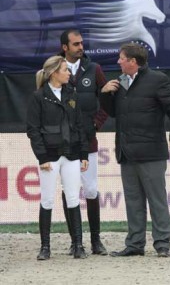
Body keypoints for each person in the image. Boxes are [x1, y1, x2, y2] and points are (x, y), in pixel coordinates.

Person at [100, 43, 170, 258]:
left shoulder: (158, 80)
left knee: (157, 199)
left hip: (151, 152)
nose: (118, 61)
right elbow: (113, 113)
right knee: (133, 201)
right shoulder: (118, 83)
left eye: (121, 58)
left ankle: (162, 243)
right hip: (126, 152)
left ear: (133, 61)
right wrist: (104, 95)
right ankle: (135, 244)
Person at [27, 55, 89, 260]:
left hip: (71, 154)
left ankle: (78, 244)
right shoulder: (38, 97)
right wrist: (42, 156)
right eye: (65, 70)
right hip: (50, 156)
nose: (69, 73)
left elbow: (79, 126)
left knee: (73, 198)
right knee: (47, 200)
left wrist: (83, 153)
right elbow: (33, 130)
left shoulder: (72, 94)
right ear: (54, 73)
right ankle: (45, 247)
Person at [59, 29, 108, 256]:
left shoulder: (94, 69)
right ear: (65, 47)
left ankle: (96, 240)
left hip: (88, 141)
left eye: (82, 43)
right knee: (69, 190)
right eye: (76, 44)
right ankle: (74, 241)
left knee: (90, 189)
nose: (81, 47)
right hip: (63, 143)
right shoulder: (54, 69)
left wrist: (95, 125)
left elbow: (107, 99)